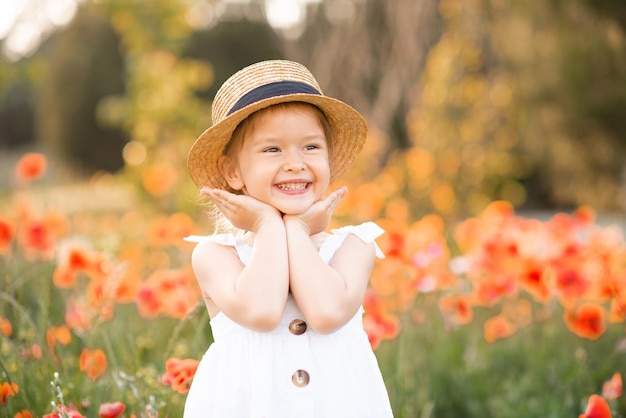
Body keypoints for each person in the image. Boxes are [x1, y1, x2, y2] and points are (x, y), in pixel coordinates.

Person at [183, 60, 393, 418]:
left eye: (311, 147)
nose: (295, 163)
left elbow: (327, 312)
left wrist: (295, 229)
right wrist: (267, 225)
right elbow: (262, 311)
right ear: (233, 172)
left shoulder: (353, 246)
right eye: (272, 150)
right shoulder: (217, 256)